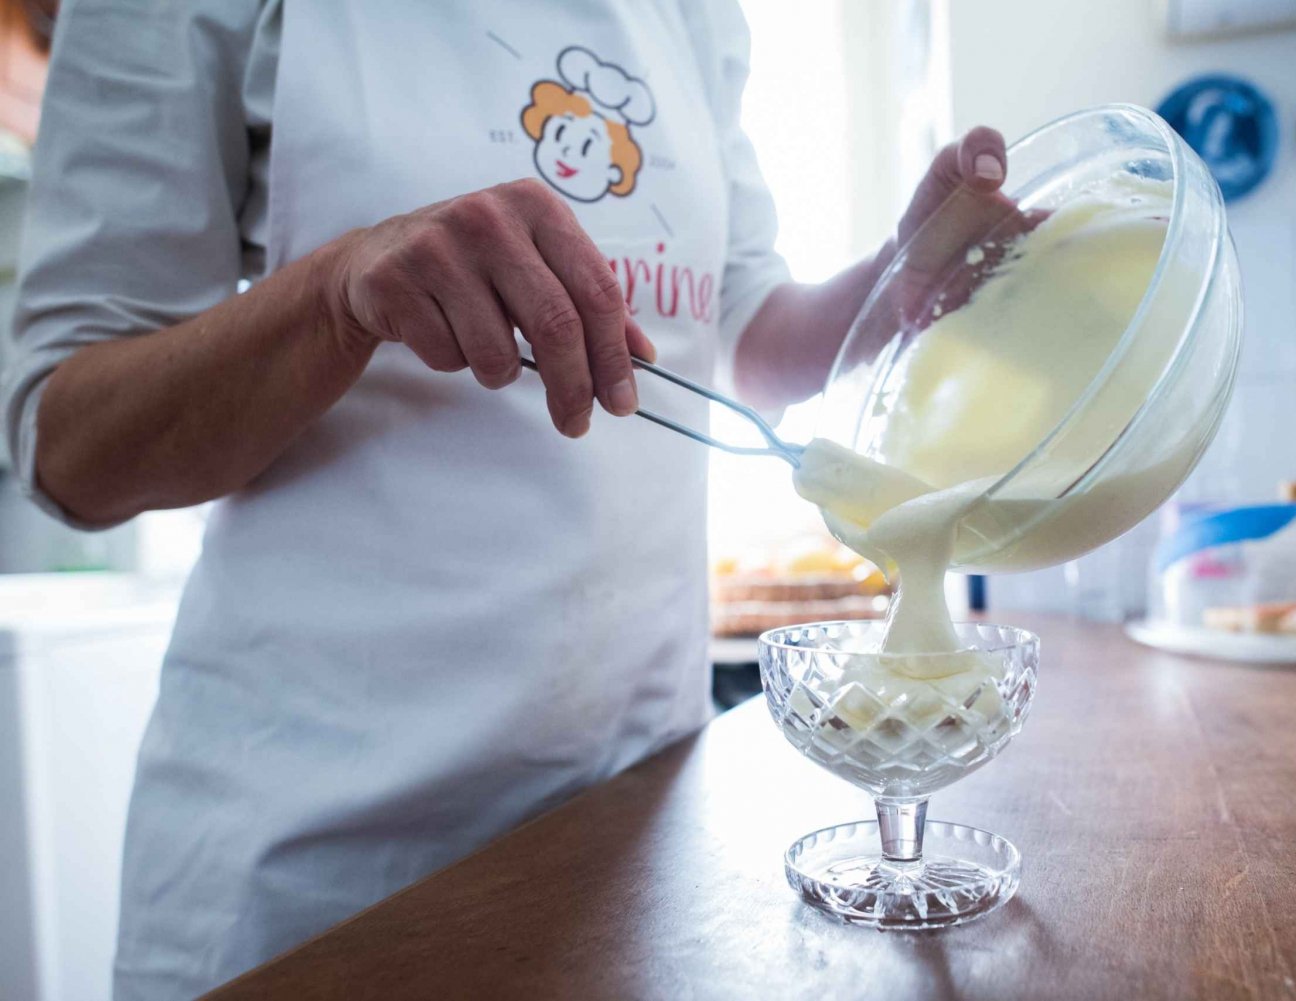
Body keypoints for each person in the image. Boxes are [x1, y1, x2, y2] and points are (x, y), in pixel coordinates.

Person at [0, 2, 1008, 996]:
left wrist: (897, 278)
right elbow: (72, 449)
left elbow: (745, 327)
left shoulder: (695, 17)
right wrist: (339, 291)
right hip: (325, 879)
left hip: (637, 836)